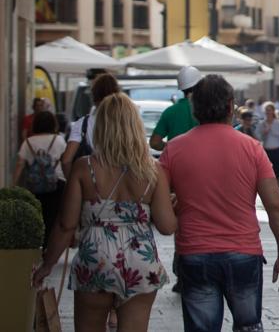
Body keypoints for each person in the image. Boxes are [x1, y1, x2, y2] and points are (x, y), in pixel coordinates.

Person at [159, 75, 279, 331]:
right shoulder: (252, 148)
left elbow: (160, 202)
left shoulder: (174, 150)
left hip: (195, 253)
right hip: (243, 253)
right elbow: (275, 206)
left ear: (194, 107)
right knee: (248, 326)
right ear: (231, 106)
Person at [33, 93, 176, 331]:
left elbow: (65, 225)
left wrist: (47, 265)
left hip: (95, 260)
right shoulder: (154, 171)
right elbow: (167, 226)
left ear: (101, 127)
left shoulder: (84, 168)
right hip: (140, 263)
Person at [13, 110, 67, 246]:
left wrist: (14, 186)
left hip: (34, 185)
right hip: (57, 182)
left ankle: (39, 244)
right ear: (53, 124)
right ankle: (49, 246)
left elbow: (20, 164)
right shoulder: (59, 140)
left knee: (37, 215)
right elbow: (66, 161)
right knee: (53, 217)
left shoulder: (28, 142)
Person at [62, 72, 122, 172]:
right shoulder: (128, 122)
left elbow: (66, 161)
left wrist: (73, 182)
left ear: (94, 95)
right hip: (121, 182)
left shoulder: (82, 124)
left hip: (92, 181)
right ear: (117, 94)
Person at [150, 66, 203, 151]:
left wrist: (172, 148)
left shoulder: (170, 112)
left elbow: (155, 143)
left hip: (175, 161)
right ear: (200, 85)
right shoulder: (208, 110)